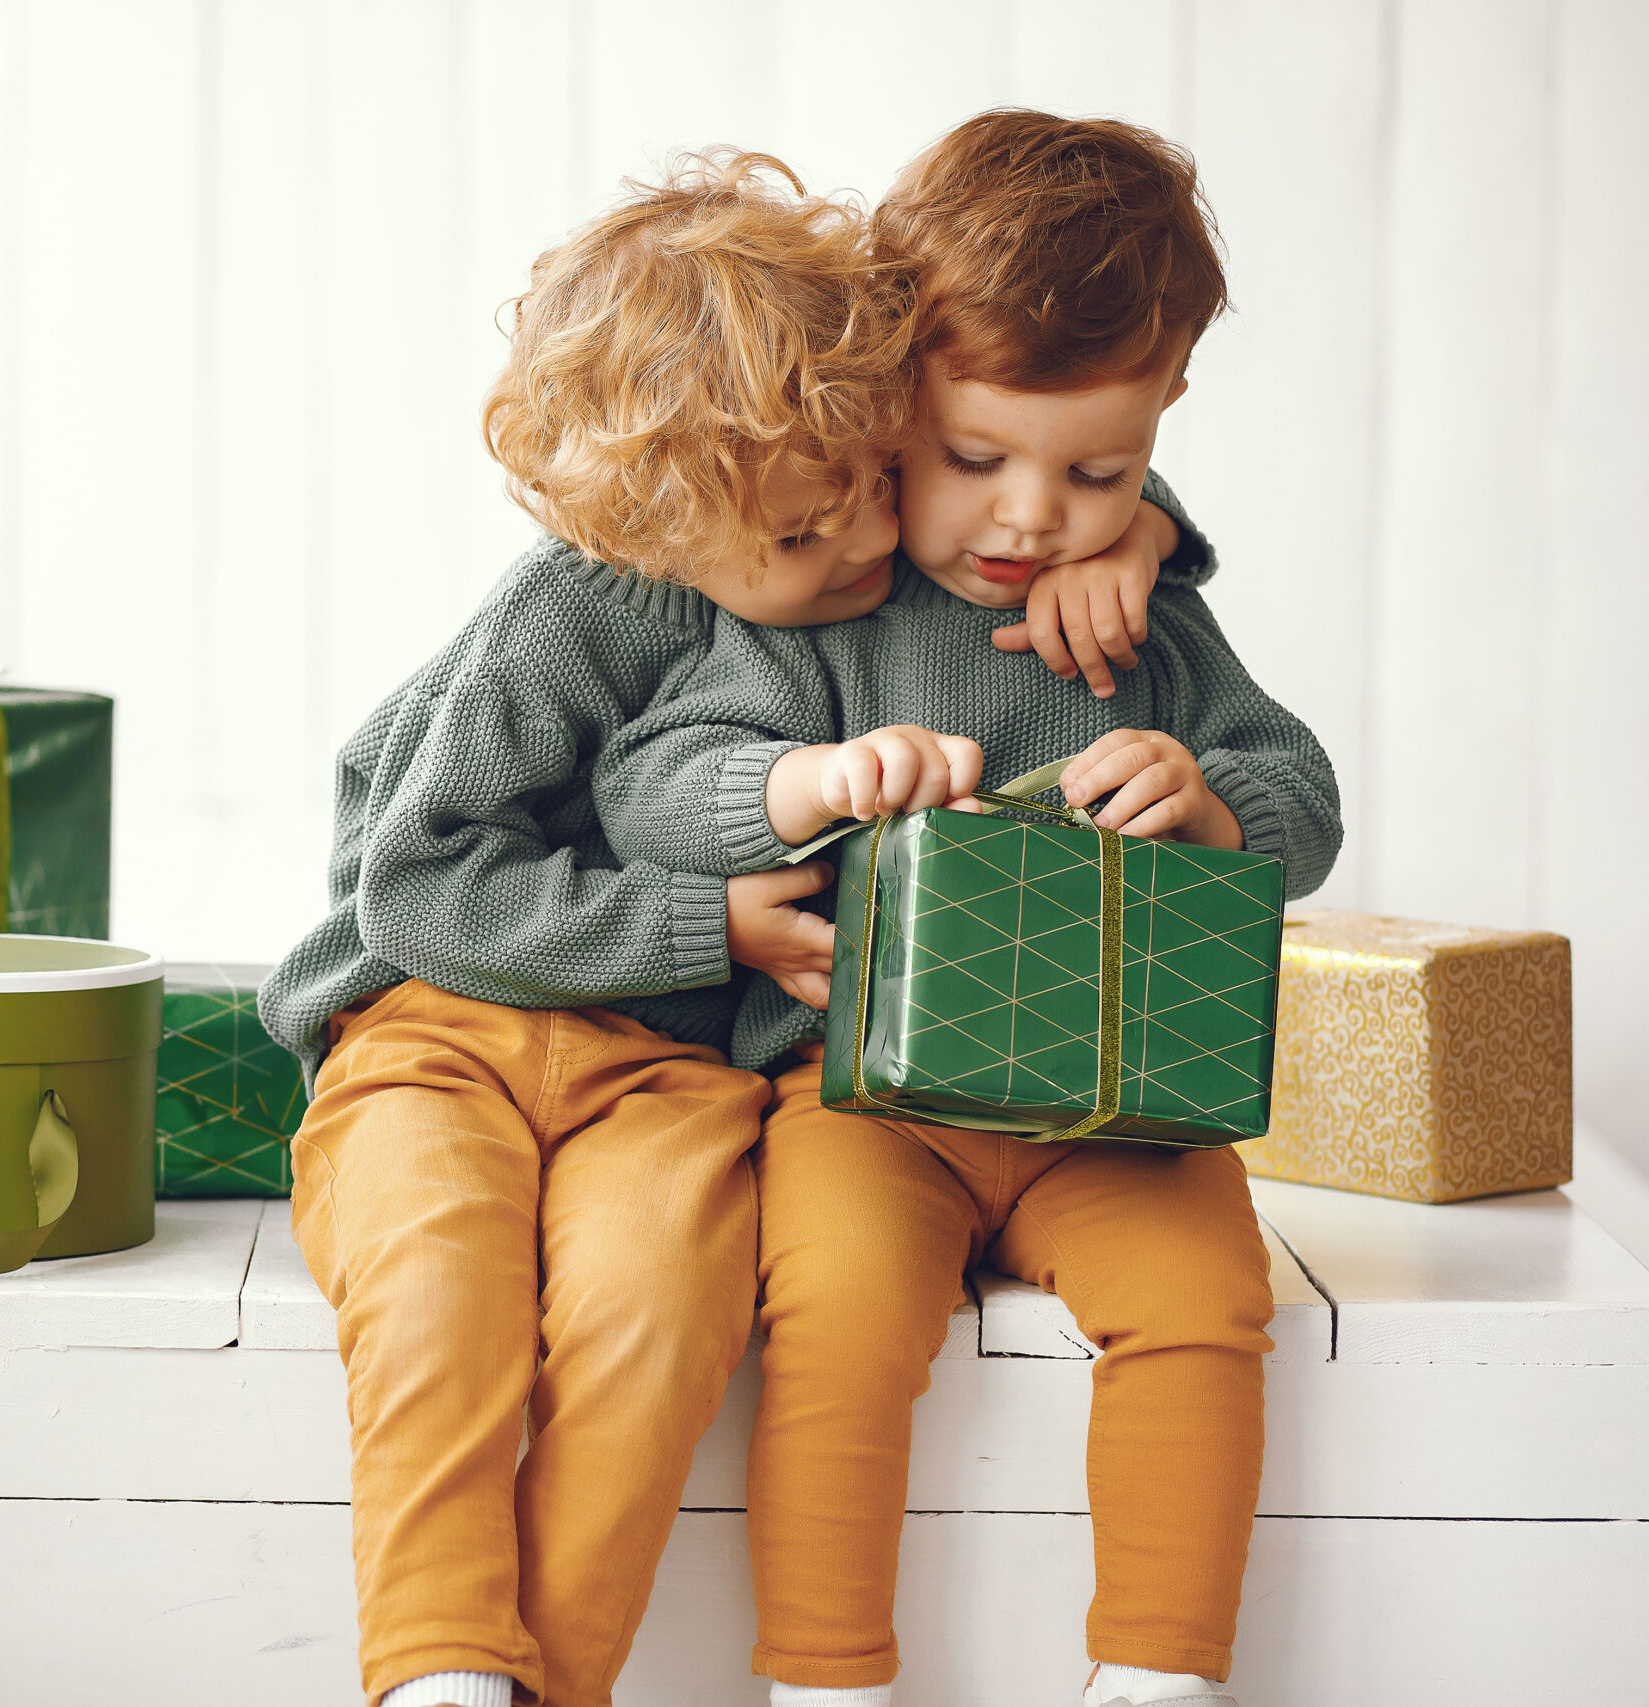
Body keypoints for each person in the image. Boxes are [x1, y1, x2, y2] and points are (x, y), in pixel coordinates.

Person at [259, 146, 1196, 1707]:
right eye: (801, 534)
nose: (860, 549)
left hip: (669, 1074)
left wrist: (1141, 534)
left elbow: (1038, 438)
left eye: (864, 491)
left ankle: (544, 1685)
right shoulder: (575, 603)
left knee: (657, 1322)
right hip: (435, 1023)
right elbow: (416, 892)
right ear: (654, 532)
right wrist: (709, 926)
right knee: (442, 1294)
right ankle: (434, 1666)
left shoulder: (836, 526)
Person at [590, 111, 1342, 1707]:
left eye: (1101, 472)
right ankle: (826, 1676)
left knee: (1208, 1307)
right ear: (892, 397)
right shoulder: (822, 587)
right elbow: (647, 784)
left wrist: (1214, 808)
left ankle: (1158, 1673)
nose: (1028, 518)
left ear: (1167, 420)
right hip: (859, 1095)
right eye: (974, 459)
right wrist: (803, 779)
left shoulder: (1142, 612)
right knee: (837, 1324)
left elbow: (1298, 785)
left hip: (1119, 1102)